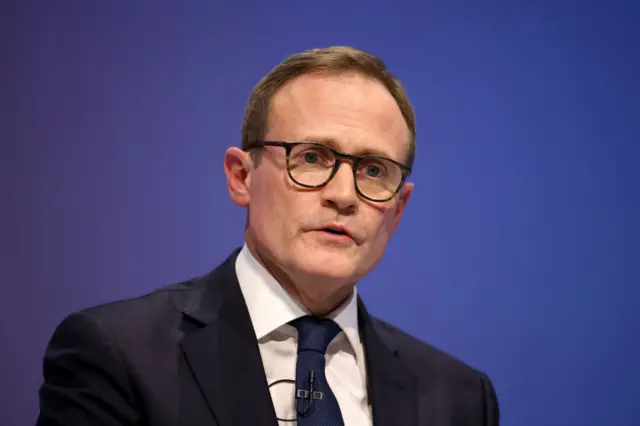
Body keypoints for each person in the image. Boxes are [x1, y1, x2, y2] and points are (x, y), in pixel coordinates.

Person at [37, 46, 499, 426]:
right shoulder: (117, 356)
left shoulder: (460, 399)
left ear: (397, 210)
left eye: (374, 170)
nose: (343, 195)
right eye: (313, 158)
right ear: (241, 177)